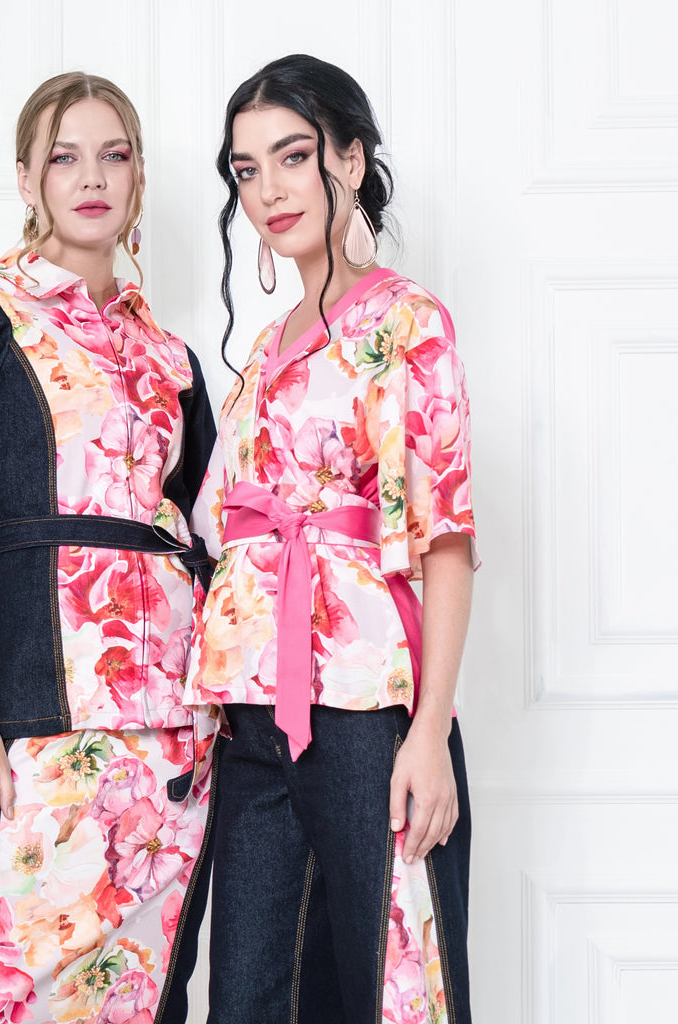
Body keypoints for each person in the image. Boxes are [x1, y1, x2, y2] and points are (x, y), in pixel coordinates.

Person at [0, 72, 219, 1024]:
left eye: (115, 155)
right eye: (64, 157)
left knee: (143, 998)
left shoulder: (172, 357)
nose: (92, 177)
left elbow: (207, 534)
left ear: (139, 177)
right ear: (27, 178)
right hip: (38, 716)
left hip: (180, 738)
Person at [185, 55, 479, 1024]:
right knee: (249, 997)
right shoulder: (261, 352)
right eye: (246, 169)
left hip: (366, 711)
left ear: (349, 160)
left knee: (394, 987)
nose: (268, 189)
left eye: (292, 156)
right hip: (252, 716)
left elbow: (445, 539)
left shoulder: (408, 322)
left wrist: (428, 731)